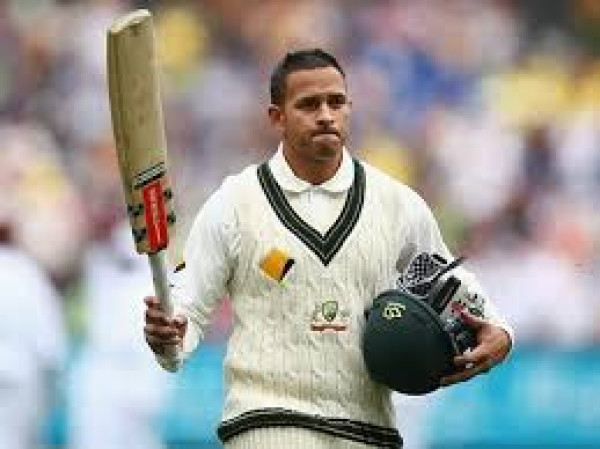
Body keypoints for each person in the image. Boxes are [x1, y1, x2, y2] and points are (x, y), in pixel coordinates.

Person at [143, 48, 513, 449]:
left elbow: (448, 282)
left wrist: (499, 331)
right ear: (276, 117)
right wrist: (169, 336)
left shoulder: (397, 204)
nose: (325, 115)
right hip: (267, 428)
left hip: (368, 432)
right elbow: (188, 308)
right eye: (308, 104)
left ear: (349, 108)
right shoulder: (234, 203)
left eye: (336, 102)